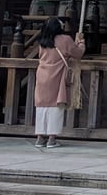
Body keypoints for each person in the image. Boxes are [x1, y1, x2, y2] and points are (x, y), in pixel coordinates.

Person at [33, 16, 84, 150]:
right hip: (57, 75)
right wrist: (81, 43)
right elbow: (78, 53)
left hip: (42, 74)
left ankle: (40, 137)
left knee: (41, 106)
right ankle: (51, 138)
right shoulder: (65, 40)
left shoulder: (42, 41)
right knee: (56, 106)